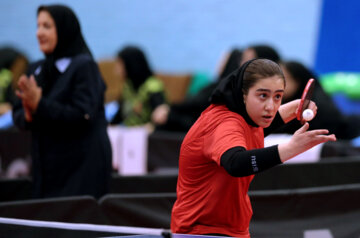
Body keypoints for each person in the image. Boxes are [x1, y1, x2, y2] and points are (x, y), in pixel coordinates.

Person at [170, 59, 336, 237]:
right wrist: (291, 148)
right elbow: (235, 163)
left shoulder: (246, 117)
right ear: (243, 94)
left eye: (278, 96)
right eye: (263, 95)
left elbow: (260, 129)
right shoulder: (225, 123)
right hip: (201, 232)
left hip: (231, 230)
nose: (271, 106)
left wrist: (296, 108)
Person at [12, 4, 112, 199]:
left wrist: (40, 105)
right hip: (47, 168)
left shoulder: (84, 66)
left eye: (47, 26)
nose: (39, 33)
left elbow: (82, 114)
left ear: (65, 29)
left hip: (81, 169)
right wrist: (28, 112)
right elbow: (19, 113)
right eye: (38, 26)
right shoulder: (36, 68)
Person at [152, 48, 243, 132]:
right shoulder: (224, 86)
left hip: (198, 126)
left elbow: (193, 104)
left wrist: (169, 110)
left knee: (166, 120)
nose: (219, 63)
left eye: (223, 60)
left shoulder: (221, 88)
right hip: (198, 123)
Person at [278, 60, 360, 140]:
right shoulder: (280, 101)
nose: (278, 84)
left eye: (283, 79)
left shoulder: (319, 106)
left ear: (298, 81)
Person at [109, 46, 166, 127]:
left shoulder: (153, 87)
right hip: (129, 132)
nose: (116, 70)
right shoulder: (128, 86)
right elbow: (121, 113)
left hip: (148, 135)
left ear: (130, 64)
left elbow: (160, 115)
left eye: (119, 65)